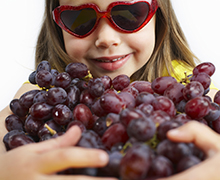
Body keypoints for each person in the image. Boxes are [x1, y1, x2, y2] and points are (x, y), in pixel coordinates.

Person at [0, 0, 220, 179]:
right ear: (58, 26)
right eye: (80, 19)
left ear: (158, 14)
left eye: (129, 13)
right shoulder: (42, 96)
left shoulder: (190, 90)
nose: (106, 39)